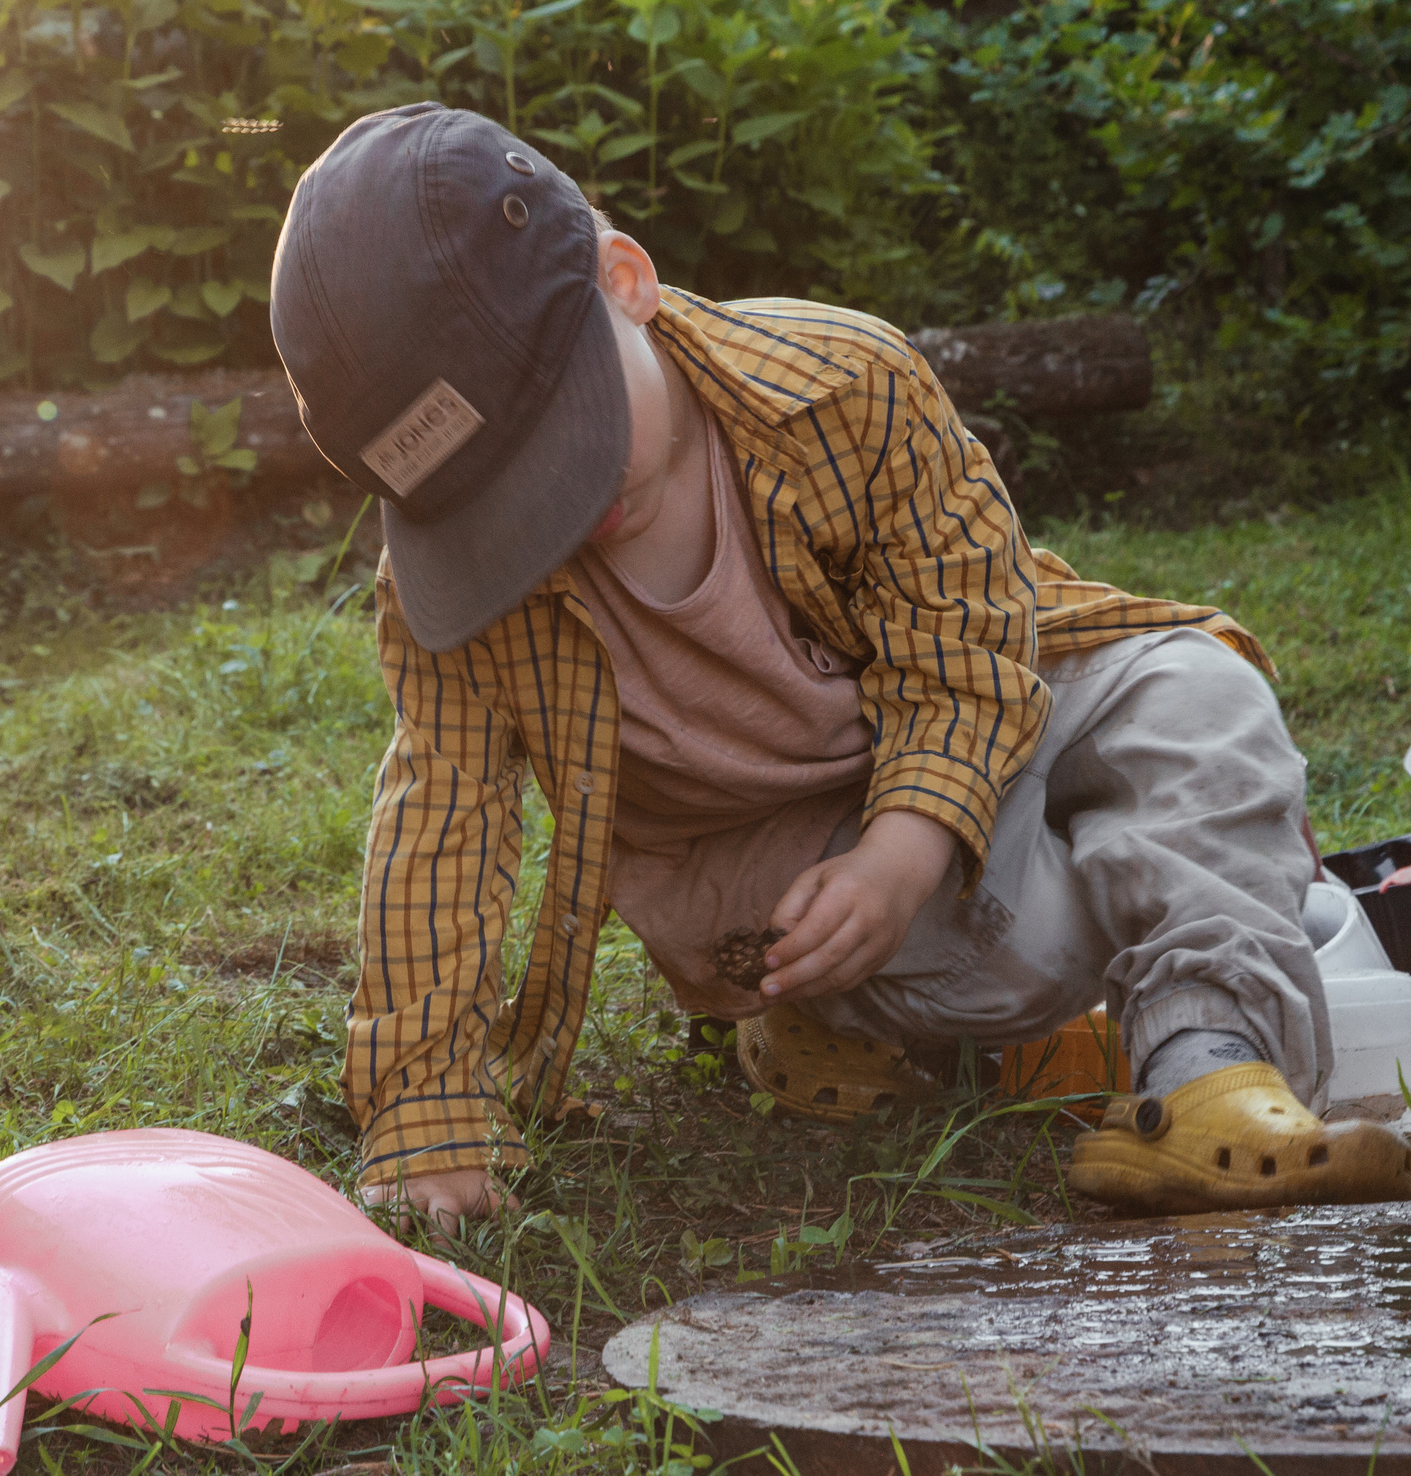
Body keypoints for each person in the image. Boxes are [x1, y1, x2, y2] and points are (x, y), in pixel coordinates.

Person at [267, 102, 1410, 1231]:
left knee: (1202, 696)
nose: (546, 510)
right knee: (1043, 945)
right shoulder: (454, 600)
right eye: (487, 502)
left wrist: (907, 846)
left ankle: (1203, 1071)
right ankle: (839, 1013)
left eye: (559, 442)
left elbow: (966, 637)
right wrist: (424, 1115)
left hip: (976, 706)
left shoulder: (843, 382)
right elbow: (444, 826)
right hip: (766, 853)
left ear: (626, 281)